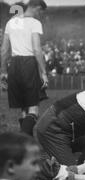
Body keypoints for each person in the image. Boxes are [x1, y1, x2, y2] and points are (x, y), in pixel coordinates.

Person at [0, 0, 49, 136]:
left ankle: (26, 144)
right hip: (29, 63)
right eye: (41, 12)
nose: (40, 15)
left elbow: (4, 50)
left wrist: (3, 72)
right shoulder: (34, 23)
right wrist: (43, 73)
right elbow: (37, 49)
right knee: (33, 110)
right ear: (37, 8)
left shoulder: (11, 22)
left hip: (14, 65)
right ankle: (21, 142)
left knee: (23, 109)